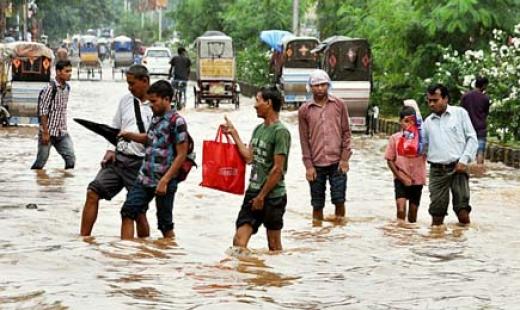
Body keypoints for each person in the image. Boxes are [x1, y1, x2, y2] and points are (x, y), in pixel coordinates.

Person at [80, 65, 153, 237]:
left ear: (145, 81)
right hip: (119, 158)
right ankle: (83, 240)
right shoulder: (125, 100)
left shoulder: (157, 104)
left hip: (140, 163)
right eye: (128, 83)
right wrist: (110, 149)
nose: (129, 87)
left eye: (132, 83)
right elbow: (115, 127)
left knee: (138, 212)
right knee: (92, 192)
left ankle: (145, 251)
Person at [221, 86, 291, 251]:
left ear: (268, 103)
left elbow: (277, 169)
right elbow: (249, 158)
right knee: (239, 241)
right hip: (253, 191)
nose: (255, 105)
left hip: (273, 196)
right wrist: (234, 134)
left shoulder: (281, 132)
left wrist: (262, 197)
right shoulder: (258, 129)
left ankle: (270, 277)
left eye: (258, 101)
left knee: (273, 246)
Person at [119, 80, 190, 240]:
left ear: (166, 99)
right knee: (128, 212)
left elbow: (181, 154)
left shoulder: (177, 122)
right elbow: (150, 138)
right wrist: (129, 135)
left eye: (154, 101)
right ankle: (125, 257)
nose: (151, 105)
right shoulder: (155, 118)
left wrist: (165, 180)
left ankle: (170, 258)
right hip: (145, 177)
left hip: (164, 180)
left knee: (165, 225)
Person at [298, 69, 352, 222]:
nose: (320, 88)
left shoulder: (339, 105)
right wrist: (308, 166)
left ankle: (340, 231)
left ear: (328, 85)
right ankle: (317, 234)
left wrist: (345, 159)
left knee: (339, 199)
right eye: (316, 85)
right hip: (316, 163)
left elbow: (346, 133)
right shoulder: (304, 110)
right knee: (317, 204)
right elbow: (304, 140)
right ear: (310, 87)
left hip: (338, 162)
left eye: (323, 85)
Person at [423, 83, 478, 226]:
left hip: (458, 167)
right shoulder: (427, 122)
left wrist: (464, 160)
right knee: (436, 213)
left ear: (446, 99)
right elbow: (422, 147)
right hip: (436, 171)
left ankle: (463, 243)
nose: (431, 104)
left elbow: (472, 138)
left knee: (462, 211)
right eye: (429, 101)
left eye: (435, 100)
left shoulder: (460, 114)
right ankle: (437, 243)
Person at [384, 106, 426, 223]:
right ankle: (400, 235)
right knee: (401, 210)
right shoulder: (395, 138)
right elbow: (389, 159)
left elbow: (431, 154)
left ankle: (410, 237)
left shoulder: (423, 140)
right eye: (406, 121)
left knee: (413, 214)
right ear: (400, 122)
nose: (409, 124)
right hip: (400, 178)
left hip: (417, 180)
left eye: (412, 121)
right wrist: (400, 177)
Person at [31, 60, 75, 170]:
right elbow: (43, 111)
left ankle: (63, 184)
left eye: (70, 71)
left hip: (62, 132)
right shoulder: (49, 88)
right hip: (48, 132)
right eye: (67, 71)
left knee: (70, 159)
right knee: (40, 162)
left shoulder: (67, 88)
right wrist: (45, 132)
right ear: (58, 72)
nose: (70, 74)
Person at [461, 76, 491, 166]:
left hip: (467, 128)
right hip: (480, 128)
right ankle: (479, 171)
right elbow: (486, 113)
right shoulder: (485, 98)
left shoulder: (465, 96)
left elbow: (461, 111)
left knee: (465, 151)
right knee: (480, 151)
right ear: (484, 86)